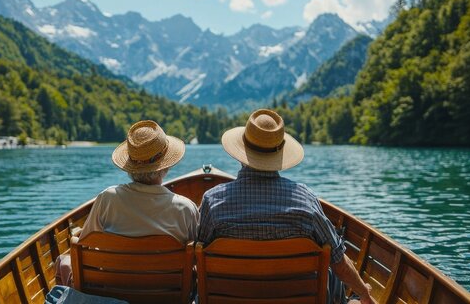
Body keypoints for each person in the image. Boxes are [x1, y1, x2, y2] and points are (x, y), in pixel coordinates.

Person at [197, 109, 377, 304]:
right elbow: (338, 261)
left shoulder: (212, 202)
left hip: (229, 299)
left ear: (242, 154)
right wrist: (364, 293)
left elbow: (198, 257)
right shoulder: (305, 201)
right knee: (330, 269)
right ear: (280, 155)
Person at [55, 120, 199, 286]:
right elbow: (196, 259)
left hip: (113, 291)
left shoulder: (107, 199)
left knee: (62, 261)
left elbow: (85, 245)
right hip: (168, 295)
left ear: (130, 167)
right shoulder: (186, 208)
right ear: (165, 166)